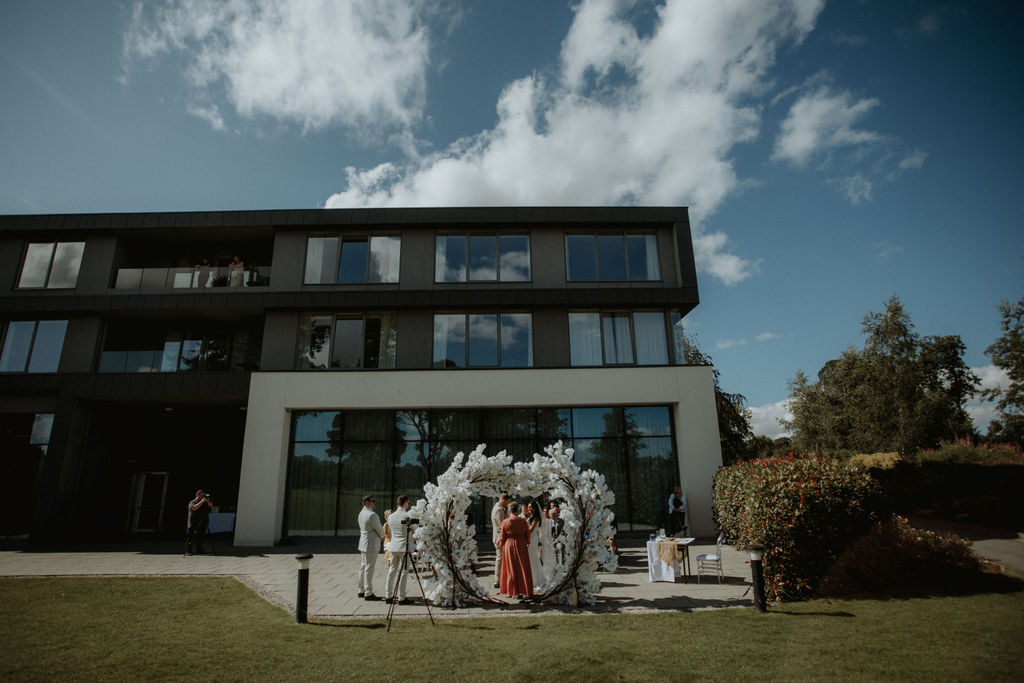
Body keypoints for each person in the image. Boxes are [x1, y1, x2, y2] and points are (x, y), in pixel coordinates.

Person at [498, 501, 533, 598]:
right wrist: (526, 542)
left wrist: (501, 543)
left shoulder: (505, 522)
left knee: (511, 568)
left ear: (509, 510)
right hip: (521, 544)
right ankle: (524, 590)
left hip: (509, 544)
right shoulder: (522, 521)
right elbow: (527, 534)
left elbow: (502, 537)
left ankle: (512, 591)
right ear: (517, 510)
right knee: (522, 567)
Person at [385, 495, 415, 605]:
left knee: (392, 570)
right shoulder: (407, 515)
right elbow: (414, 529)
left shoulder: (391, 516)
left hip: (394, 545)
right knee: (403, 571)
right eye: (408, 503)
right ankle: (401, 597)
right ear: (405, 503)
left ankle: (388, 595)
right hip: (404, 546)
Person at [357, 494, 385, 600]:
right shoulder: (372, 515)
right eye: (372, 501)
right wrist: (383, 537)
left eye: (374, 501)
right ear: (367, 502)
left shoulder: (361, 513)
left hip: (364, 542)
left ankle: (361, 589)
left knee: (363, 566)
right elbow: (379, 529)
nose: (374, 503)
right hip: (371, 543)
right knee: (369, 567)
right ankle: (368, 592)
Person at [490, 493, 510, 589]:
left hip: (498, 537)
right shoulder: (498, 509)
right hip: (499, 538)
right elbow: (501, 526)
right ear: (504, 500)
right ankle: (497, 581)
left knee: (501, 558)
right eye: (507, 502)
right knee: (500, 558)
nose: (507, 504)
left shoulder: (498, 508)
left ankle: (500, 579)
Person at [524, 500, 545, 589]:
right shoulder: (530, 516)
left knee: (532, 558)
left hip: (532, 539)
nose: (529, 509)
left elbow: (530, 530)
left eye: (531, 507)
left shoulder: (536, 518)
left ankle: (535, 579)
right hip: (529, 538)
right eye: (528, 507)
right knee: (530, 558)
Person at [186, 489, 212, 555]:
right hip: (193, 522)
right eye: (201, 495)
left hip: (201, 522)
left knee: (201, 537)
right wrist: (202, 502)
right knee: (191, 537)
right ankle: (188, 551)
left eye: (203, 495)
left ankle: (199, 549)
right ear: (198, 495)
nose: (203, 497)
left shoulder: (204, 503)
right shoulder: (193, 502)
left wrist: (207, 501)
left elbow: (210, 505)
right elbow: (194, 508)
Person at [540, 504, 556, 576]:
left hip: (551, 541)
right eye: (544, 511)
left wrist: (551, 541)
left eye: (546, 512)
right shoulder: (541, 521)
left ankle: (551, 572)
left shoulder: (551, 521)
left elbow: (553, 533)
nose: (545, 513)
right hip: (543, 541)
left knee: (551, 557)